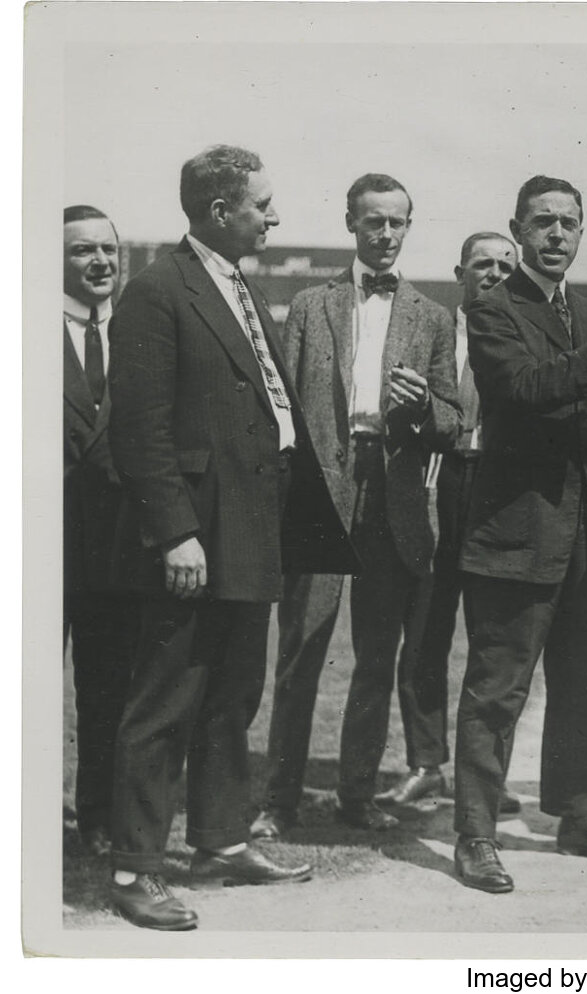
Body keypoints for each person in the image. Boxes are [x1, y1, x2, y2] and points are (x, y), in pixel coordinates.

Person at [106, 145, 356, 930]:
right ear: (221, 211)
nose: (274, 216)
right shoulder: (155, 292)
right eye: (262, 204)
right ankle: (134, 867)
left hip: (253, 530)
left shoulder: (236, 283)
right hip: (196, 536)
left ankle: (219, 843)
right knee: (164, 701)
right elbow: (140, 432)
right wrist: (176, 533)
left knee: (231, 698)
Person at [451, 175, 587, 894]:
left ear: (581, 231)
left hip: (583, 536)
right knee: (496, 690)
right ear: (517, 230)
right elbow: (525, 390)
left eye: (569, 222)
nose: (556, 234)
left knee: (580, 688)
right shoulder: (492, 310)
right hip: (514, 531)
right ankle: (476, 835)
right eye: (542, 222)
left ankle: (578, 816)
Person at [251, 173, 461, 839]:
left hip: (392, 494)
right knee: (301, 651)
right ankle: (279, 801)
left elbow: (453, 420)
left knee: (375, 657)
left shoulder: (433, 316)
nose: (386, 234)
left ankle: (356, 795)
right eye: (374, 222)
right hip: (320, 493)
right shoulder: (312, 306)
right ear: (351, 224)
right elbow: (281, 403)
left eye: (397, 222)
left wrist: (425, 407)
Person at [389, 231, 520, 811]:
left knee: (495, 643)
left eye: (503, 265)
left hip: (498, 494)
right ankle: (426, 763)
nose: (493, 274)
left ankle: (487, 773)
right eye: (482, 264)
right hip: (439, 484)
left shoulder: (525, 337)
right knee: (423, 635)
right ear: (460, 272)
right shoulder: (433, 329)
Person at [62, 205, 137, 858]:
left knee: (106, 687)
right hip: (36, 548)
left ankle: (97, 816)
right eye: (83, 251)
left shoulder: (137, 336)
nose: (99, 263)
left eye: (108, 250)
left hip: (112, 548)